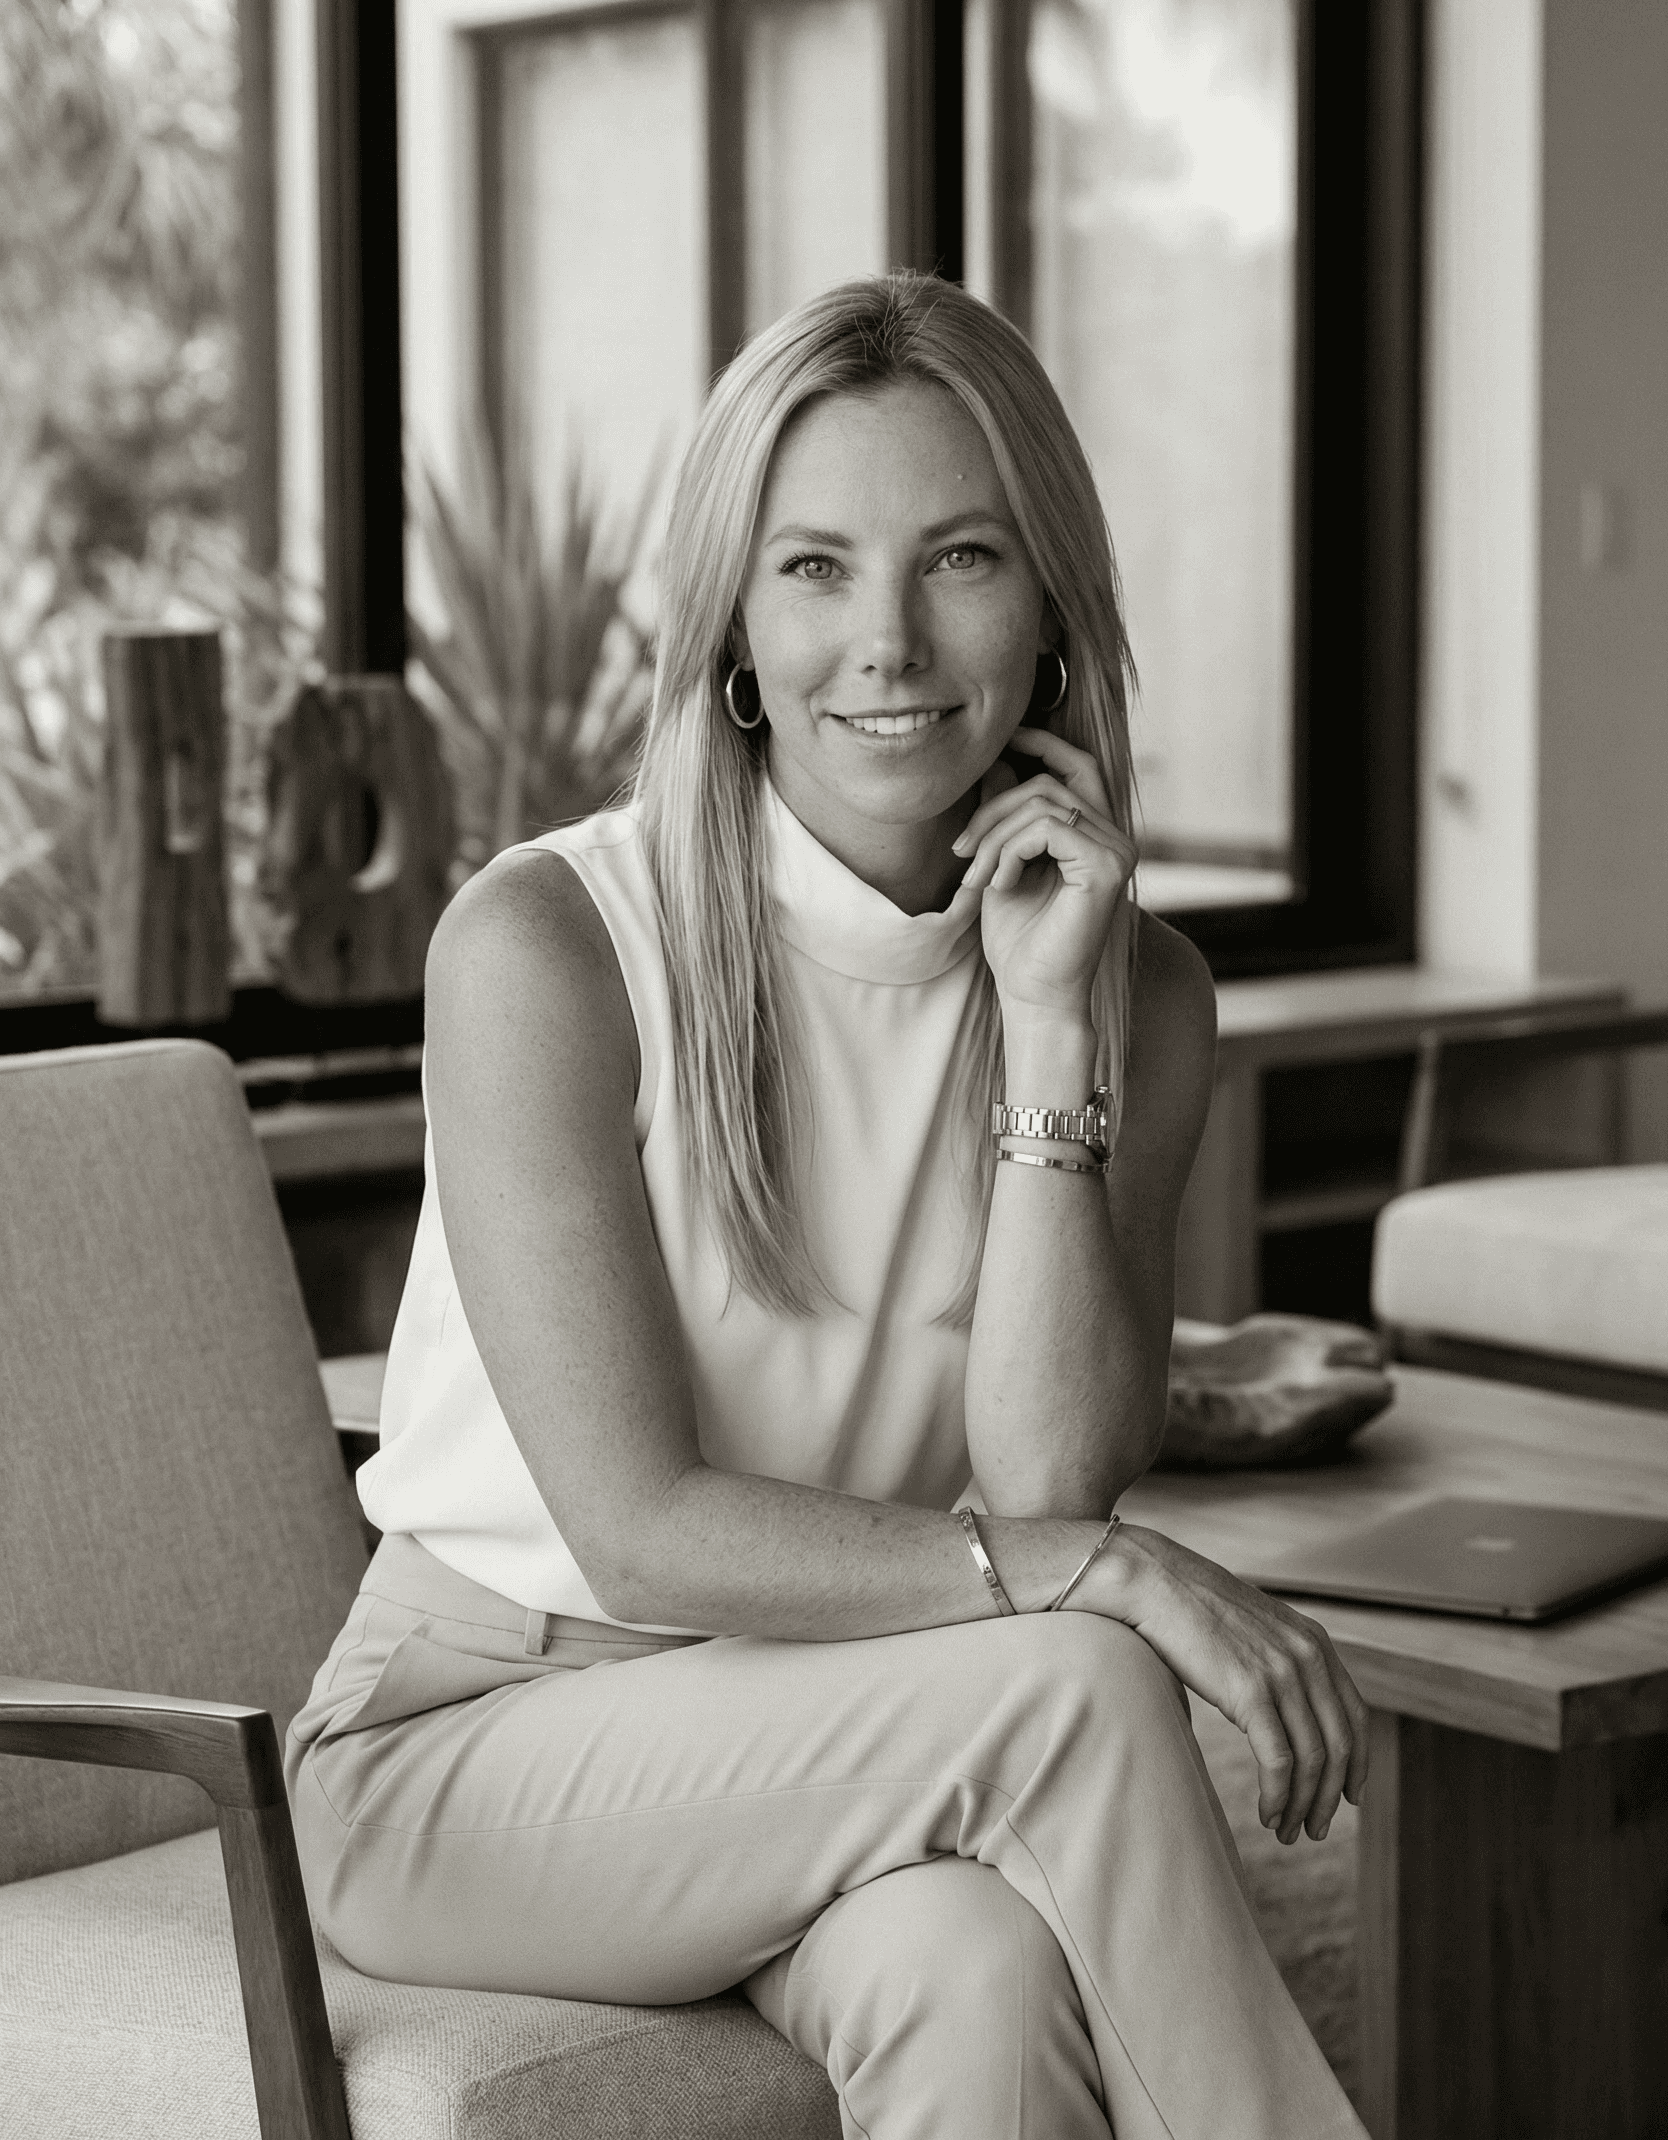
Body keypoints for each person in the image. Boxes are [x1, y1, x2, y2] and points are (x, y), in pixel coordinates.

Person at [285, 272, 1370, 2140]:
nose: (886, 641)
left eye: (960, 558)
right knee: (1077, 1685)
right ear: (733, 619)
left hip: (847, 1716)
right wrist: (1109, 1578)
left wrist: (1050, 1026)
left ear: (1049, 608)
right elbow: (640, 1533)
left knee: (979, 1978)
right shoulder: (549, 945)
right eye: (813, 568)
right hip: (462, 1759)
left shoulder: (1141, 995)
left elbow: (1045, 1482)